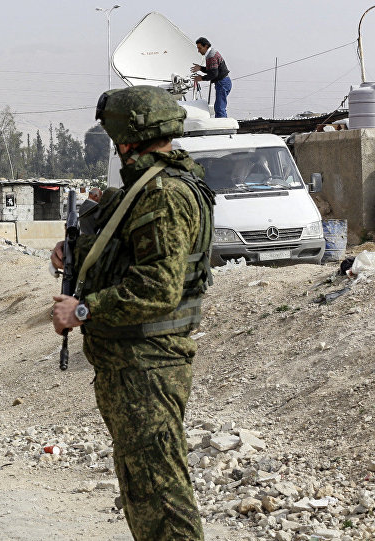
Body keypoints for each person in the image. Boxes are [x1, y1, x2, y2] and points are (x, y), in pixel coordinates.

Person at [50, 85, 215, 541]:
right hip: (132, 365)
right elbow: (128, 252)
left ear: (126, 136)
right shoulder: (148, 186)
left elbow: (158, 287)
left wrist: (82, 309)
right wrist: (75, 252)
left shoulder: (162, 192)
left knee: (162, 495)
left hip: (148, 364)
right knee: (143, 489)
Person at [192, 37, 232, 118]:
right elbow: (212, 69)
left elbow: (213, 74)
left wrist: (201, 78)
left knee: (219, 108)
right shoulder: (211, 53)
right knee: (219, 106)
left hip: (222, 83)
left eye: (200, 48)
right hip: (223, 82)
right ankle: (223, 124)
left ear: (206, 46)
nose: (198, 51)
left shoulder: (211, 56)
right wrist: (200, 68)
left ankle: (222, 127)